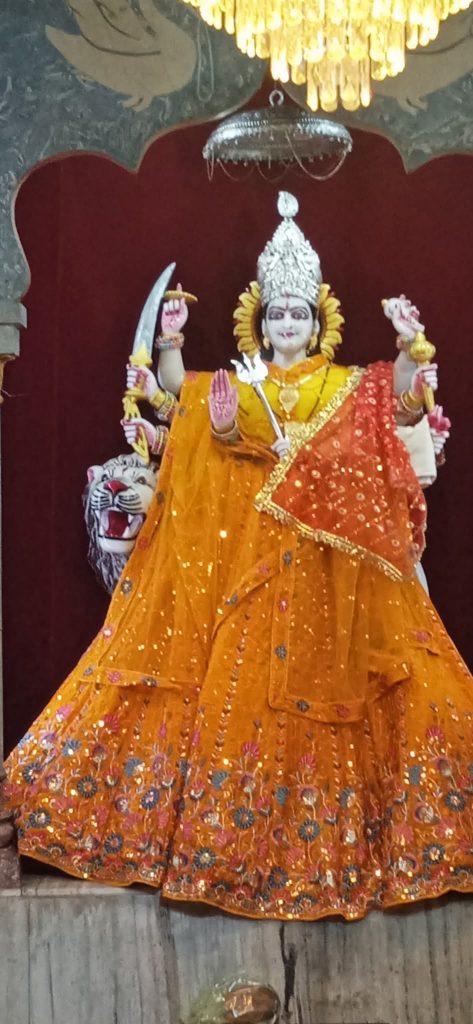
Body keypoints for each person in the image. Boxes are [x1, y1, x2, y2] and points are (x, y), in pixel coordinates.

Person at [4, 192, 470, 923]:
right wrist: (172, 346)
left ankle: (350, 847)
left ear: (318, 321)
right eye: (277, 314)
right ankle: (230, 847)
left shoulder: (344, 386)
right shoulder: (239, 385)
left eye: (298, 314)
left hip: (334, 572)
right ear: (260, 319)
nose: (287, 325)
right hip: (248, 564)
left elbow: (399, 405)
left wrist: (413, 349)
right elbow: (179, 399)